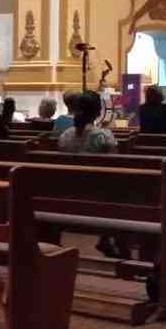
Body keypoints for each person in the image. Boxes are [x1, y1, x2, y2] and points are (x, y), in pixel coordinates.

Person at [58, 90, 123, 258]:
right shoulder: (103, 136)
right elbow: (116, 165)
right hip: (99, 195)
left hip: (68, 192)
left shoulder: (65, 136)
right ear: (97, 112)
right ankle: (113, 240)